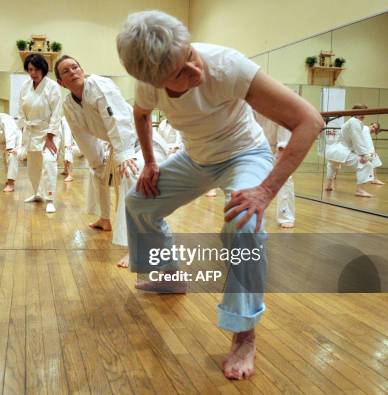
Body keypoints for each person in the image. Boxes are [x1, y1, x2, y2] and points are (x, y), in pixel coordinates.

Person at [116, 11, 323, 380]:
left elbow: (310, 121)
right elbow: (141, 114)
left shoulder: (229, 66)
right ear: (151, 79)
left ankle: (244, 333)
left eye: (191, 56)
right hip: (197, 157)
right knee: (138, 203)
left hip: (245, 154)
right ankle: (168, 275)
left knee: (244, 224)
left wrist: (264, 191)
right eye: (180, 73)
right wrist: (149, 162)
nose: (195, 72)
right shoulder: (147, 85)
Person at [55, 55, 169, 268]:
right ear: (61, 82)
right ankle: (105, 219)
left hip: (139, 143)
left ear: (83, 69)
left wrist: (124, 154)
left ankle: (136, 248)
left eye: (75, 67)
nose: (73, 72)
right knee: (96, 172)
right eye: (66, 72)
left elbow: (118, 118)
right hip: (117, 146)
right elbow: (82, 136)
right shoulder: (69, 105)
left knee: (130, 176)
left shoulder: (98, 84)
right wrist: (96, 161)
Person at [18, 54, 61, 213]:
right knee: (33, 165)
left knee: (49, 162)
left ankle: (50, 198)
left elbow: (56, 113)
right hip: (30, 131)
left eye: (36, 69)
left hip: (47, 131)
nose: (33, 72)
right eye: (30, 69)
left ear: (43, 69)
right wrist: (23, 131)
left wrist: (50, 138)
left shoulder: (52, 86)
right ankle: (37, 193)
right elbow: (20, 110)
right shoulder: (25, 86)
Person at [324, 105, 375, 197]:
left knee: (332, 165)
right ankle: (360, 190)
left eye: (365, 112)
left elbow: (354, 141)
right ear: (354, 113)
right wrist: (364, 155)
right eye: (361, 112)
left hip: (333, 151)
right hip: (341, 151)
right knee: (366, 164)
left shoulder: (348, 122)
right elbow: (357, 139)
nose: (363, 115)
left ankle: (328, 186)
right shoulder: (354, 122)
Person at [256, 113, 295, 228]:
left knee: (285, 178)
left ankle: (285, 215)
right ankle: (250, 212)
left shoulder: (280, 107)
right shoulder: (248, 105)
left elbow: (283, 141)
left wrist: (280, 157)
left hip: (278, 147)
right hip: (255, 147)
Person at [60, 117, 77, 182]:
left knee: (67, 151)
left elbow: (68, 133)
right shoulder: (63, 119)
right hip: (69, 142)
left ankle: (70, 175)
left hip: (73, 145)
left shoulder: (66, 120)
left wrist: (68, 144)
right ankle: (65, 170)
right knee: (64, 151)